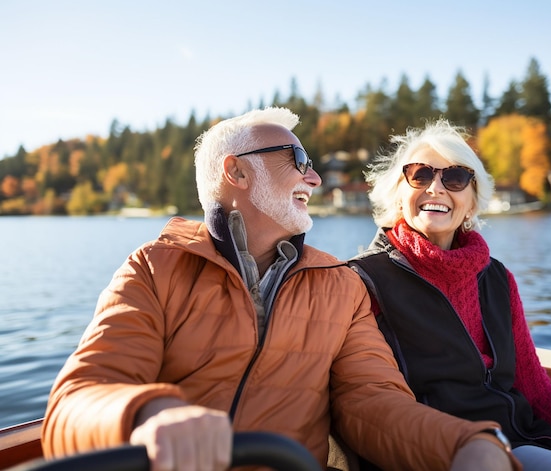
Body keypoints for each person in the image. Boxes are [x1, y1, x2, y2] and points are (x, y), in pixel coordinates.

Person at [41, 108, 520, 471]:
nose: (313, 177)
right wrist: (151, 412)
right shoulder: (155, 268)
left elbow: (373, 404)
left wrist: (466, 442)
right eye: (299, 159)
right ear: (238, 172)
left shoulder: (339, 285)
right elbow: (74, 404)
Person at [348, 119, 551, 471]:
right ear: (398, 193)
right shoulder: (364, 281)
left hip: (522, 438)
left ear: (473, 202)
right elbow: (367, 402)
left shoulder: (497, 278)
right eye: (419, 174)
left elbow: (536, 390)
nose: (436, 187)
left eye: (456, 177)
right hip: (439, 452)